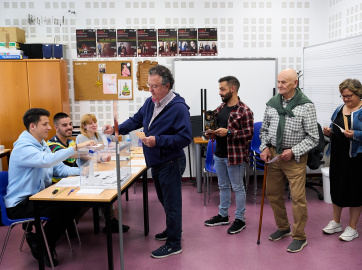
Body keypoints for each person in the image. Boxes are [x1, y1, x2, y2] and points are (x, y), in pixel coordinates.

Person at [103, 64, 191, 259]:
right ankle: (172, 230)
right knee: (165, 201)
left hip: (171, 162)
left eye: (154, 86)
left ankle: (174, 243)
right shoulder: (151, 103)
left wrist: (158, 140)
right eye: (149, 85)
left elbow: (185, 138)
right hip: (157, 162)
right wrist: (116, 129)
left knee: (172, 204)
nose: (150, 89)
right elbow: (135, 120)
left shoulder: (178, 108)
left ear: (166, 86)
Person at [5, 108, 82, 266]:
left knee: (74, 203)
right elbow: (47, 161)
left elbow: (59, 169)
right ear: (32, 126)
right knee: (65, 208)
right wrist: (73, 150)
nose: (49, 127)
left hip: (39, 196)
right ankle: (44, 244)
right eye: (45, 124)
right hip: (21, 204)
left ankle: (40, 241)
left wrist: (84, 172)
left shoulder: (41, 144)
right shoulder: (23, 148)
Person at [259, 69, 318, 253]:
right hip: (275, 155)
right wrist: (265, 147)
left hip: (295, 158)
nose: (280, 85)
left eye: (284, 82)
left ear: (295, 84)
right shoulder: (272, 104)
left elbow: (313, 137)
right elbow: (264, 130)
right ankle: (283, 227)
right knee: (273, 194)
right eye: (278, 82)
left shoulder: (306, 105)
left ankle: (299, 236)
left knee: (298, 198)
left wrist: (293, 151)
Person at [322, 79, 362, 241]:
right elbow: (334, 125)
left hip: (357, 158)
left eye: (349, 96)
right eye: (343, 96)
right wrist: (329, 132)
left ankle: (353, 227)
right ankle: (336, 222)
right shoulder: (339, 108)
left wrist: (355, 134)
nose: (346, 99)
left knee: (355, 191)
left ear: (358, 93)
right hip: (338, 156)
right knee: (337, 188)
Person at [203, 76, 254, 234]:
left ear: (232, 89)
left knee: (238, 188)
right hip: (219, 155)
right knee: (223, 186)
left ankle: (240, 219)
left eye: (222, 89)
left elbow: (249, 134)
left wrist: (229, 132)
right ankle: (223, 215)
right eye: (219, 89)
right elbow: (214, 128)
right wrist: (210, 133)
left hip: (235, 157)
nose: (220, 92)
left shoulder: (244, 110)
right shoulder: (220, 108)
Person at [75, 113, 130, 233]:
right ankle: (72, 222)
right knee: (97, 193)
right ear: (84, 126)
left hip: (102, 166)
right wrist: (100, 158)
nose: (94, 125)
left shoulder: (99, 135)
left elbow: (106, 147)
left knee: (107, 190)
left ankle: (110, 221)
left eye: (95, 122)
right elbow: (85, 156)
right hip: (87, 170)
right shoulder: (81, 138)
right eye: (90, 123)